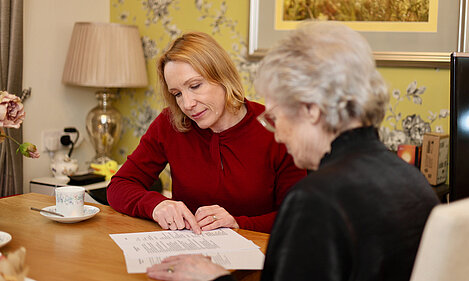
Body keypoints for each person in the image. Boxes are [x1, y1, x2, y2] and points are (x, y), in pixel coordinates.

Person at [145, 22, 440, 281]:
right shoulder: (412, 180)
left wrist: (212, 278)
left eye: (276, 117)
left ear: (310, 110)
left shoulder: (316, 199)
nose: (278, 133)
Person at [107, 32, 306, 234]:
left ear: (222, 76)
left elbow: (298, 216)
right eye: (177, 94)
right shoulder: (170, 124)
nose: (187, 104)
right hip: (187, 254)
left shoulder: (276, 127)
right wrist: (156, 205)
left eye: (195, 86)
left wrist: (237, 224)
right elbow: (119, 186)